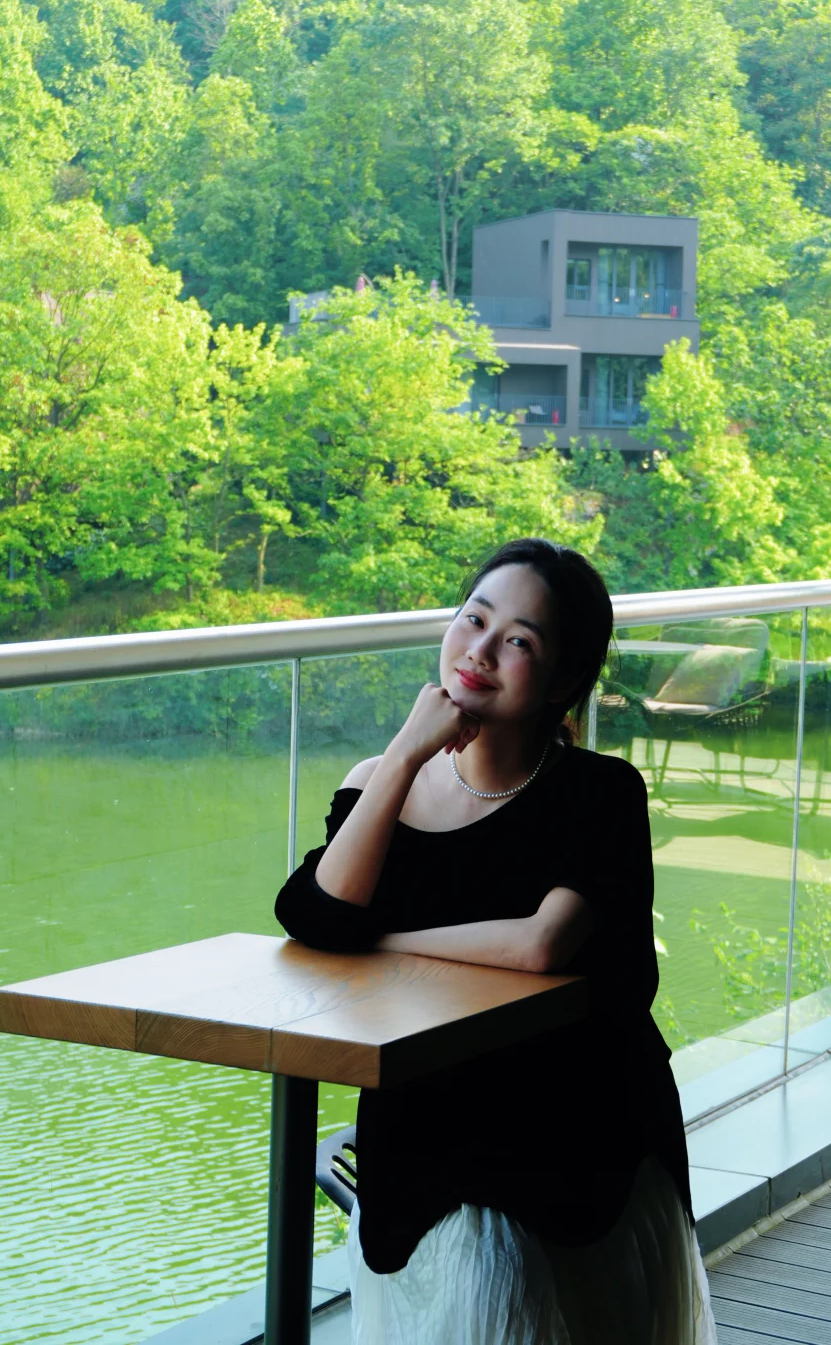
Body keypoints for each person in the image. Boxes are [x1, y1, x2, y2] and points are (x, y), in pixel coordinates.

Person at [274, 538, 718, 1345]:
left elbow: (541, 944)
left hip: (566, 1126)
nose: (479, 651)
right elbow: (316, 916)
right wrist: (405, 754)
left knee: (503, 1293)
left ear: (565, 681)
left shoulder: (600, 793)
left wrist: (383, 938)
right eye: (473, 620)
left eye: (520, 641)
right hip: (421, 1113)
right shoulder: (380, 779)